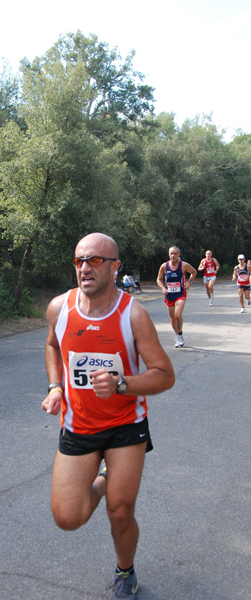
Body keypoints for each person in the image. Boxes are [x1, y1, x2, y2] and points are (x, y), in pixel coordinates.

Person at [42, 233, 175, 600]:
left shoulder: (133, 314)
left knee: (120, 511)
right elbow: (53, 345)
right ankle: (103, 479)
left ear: (115, 267)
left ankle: (125, 571)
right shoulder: (59, 309)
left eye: (95, 260)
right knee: (68, 518)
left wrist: (122, 384)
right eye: (79, 260)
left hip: (125, 427)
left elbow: (165, 375)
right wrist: (56, 388)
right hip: (78, 427)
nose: (85, 267)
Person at [156, 246, 197, 348]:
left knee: (177, 315)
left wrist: (189, 282)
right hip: (169, 294)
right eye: (171, 253)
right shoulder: (164, 266)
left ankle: (180, 334)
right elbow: (159, 279)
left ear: (179, 255)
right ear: (168, 254)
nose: (173, 255)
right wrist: (162, 288)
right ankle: (178, 336)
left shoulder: (183, 265)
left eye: (175, 253)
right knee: (172, 318)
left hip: (180, 293)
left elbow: (194, 272)